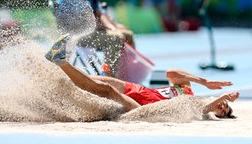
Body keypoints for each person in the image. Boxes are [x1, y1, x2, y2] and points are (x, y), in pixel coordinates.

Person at [45, 34, 239, 119]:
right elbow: (171, 72)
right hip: (138, 90)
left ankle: (60, 61)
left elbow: (204, 109)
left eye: (222, 110)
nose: (222, 106)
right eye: (225, 105)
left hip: (140, 107)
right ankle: (52, 81)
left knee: (107, 90)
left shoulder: (201, 112)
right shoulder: (188, 90)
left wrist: (222, 97)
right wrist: (204, 82)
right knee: (99, 80)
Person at [51, 0, 135, 77]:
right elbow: (83, 19)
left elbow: (100, 13)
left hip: (89, 29)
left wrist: (114, 28)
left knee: (127, 34)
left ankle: (127, 72)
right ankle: (110, 76)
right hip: (75, 34)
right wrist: (109, 28)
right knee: (115, 38)